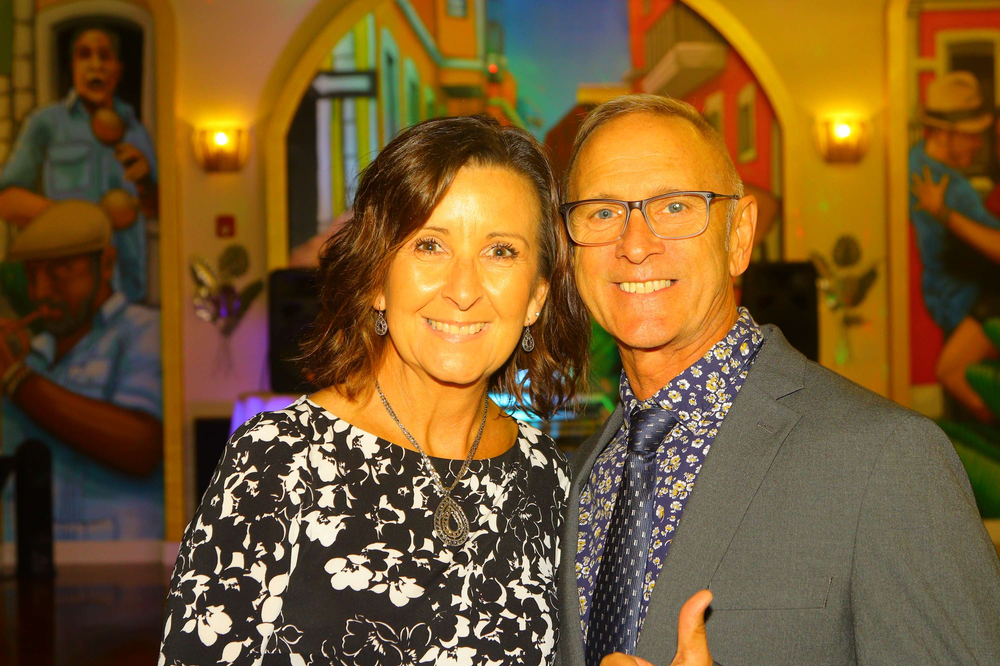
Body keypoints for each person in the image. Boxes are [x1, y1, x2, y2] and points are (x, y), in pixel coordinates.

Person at [555, 94, 1000, 666]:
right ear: (570, 250)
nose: (635, 244)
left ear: (739, 235)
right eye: (601, 212)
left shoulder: (886, 461)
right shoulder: (578, 477)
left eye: (675, 207)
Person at [159, 116, 591, 665]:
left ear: (536, 297)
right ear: (376, 280)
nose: (463, 289)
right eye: (430, 245)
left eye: (500, 251)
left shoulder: (546, 478)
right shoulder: (279, 462)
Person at [0, 200, 163, 541]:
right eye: (32, 276)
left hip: (118, 569)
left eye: (59, 272)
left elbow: (142, 446)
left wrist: (17, 380)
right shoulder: (33, 354)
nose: (41, 293)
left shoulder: (144, 331)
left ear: (105, 265)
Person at [0, 26, 158, 303]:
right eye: (85, 55)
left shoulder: (136, 131)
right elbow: (7, 199)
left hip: (130, 295)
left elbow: (159, 212)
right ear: (73, 66)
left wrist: (145, 185)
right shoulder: (45, 124)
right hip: (68, 294)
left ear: (118, 70)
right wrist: (77, 223)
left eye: (104, 56)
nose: (95, 65)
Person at [909, 71, 1000, 422]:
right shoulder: (946, 183)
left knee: (953, 374)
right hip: (959, 306)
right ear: (945, 134)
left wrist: (945, 213)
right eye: (971, 136)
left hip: (973, 304)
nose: (978, 145)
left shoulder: (920, 163)